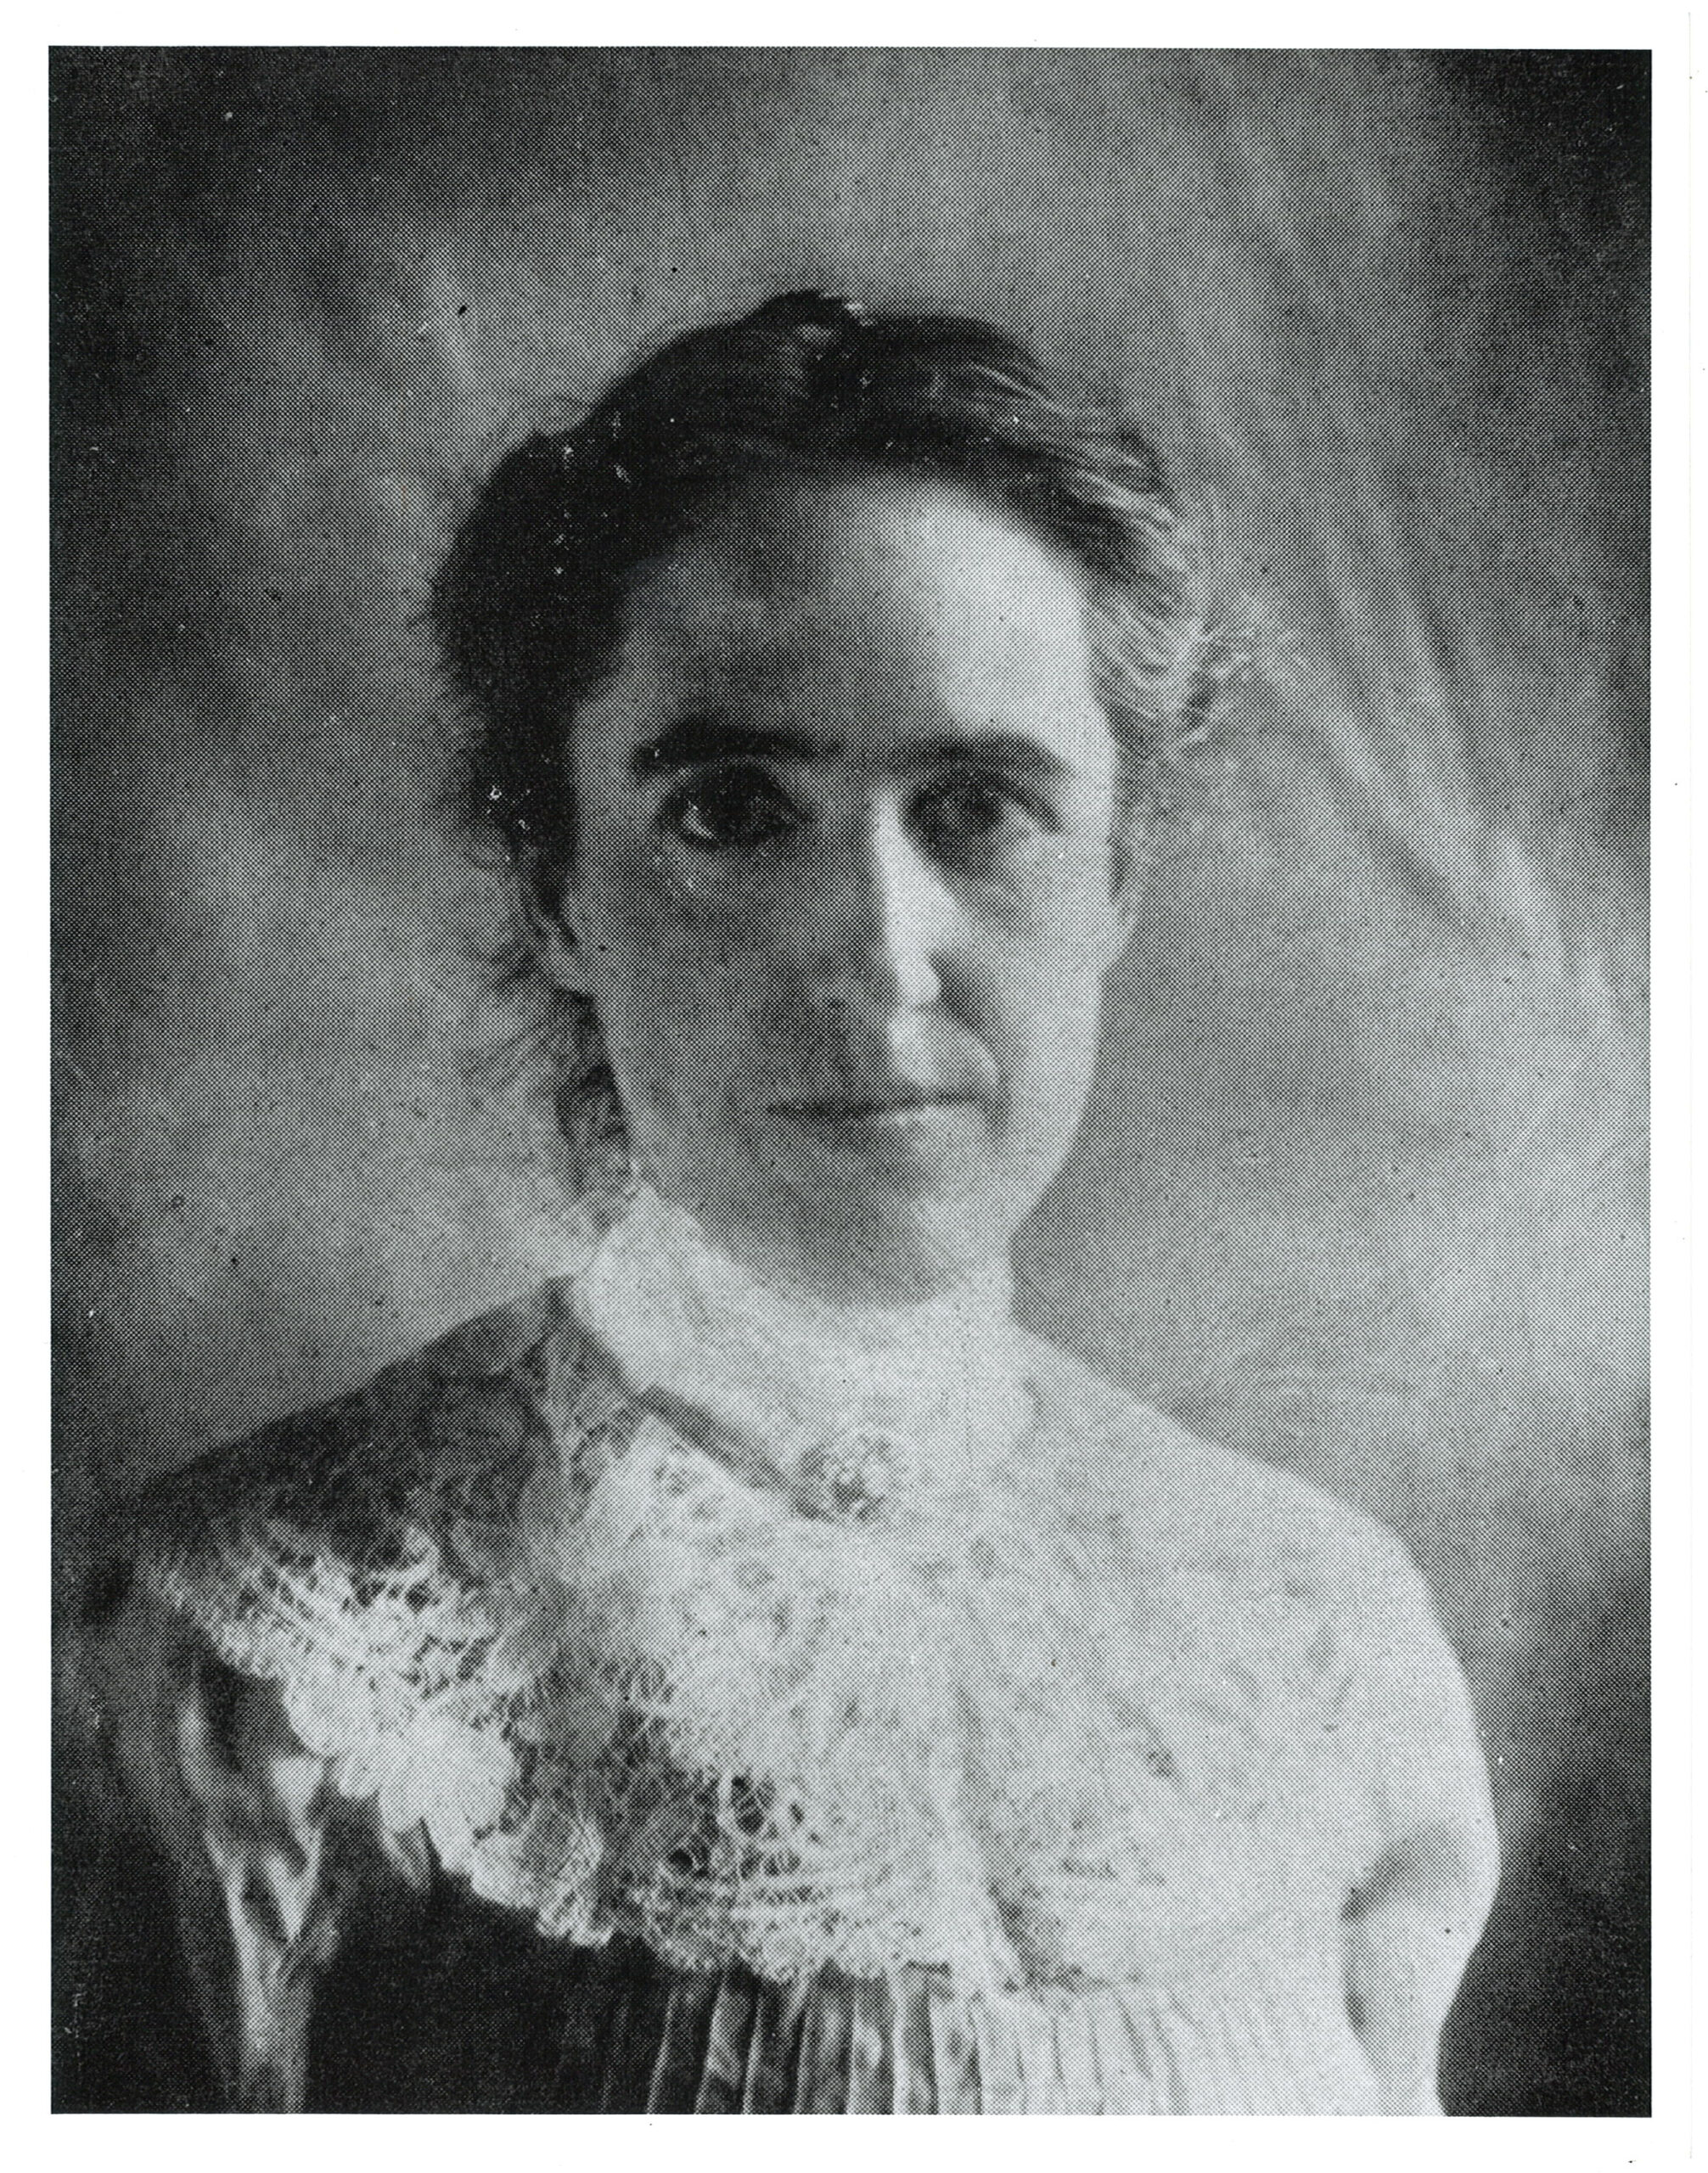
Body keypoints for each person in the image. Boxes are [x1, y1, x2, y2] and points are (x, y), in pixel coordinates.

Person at [64, 293, 1498, 2114]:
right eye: (735, 810)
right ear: (562, 887)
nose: (876, 957)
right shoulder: (246, 1657)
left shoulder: (1325, 1635)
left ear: (1119, 876)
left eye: (978, 806)